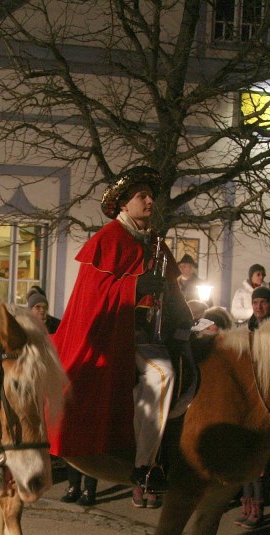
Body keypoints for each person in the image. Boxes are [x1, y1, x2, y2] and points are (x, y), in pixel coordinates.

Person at [48, 165, 191, 497]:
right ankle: (145, 465)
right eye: (142, 196)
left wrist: (185, 316)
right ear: (124, 204)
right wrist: (135, 286)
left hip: (152, 332)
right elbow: (92, 297)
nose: (150, 201)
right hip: (119, 335)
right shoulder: (107, 239)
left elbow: (172, 291)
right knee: (162, 374)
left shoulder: (155, 242)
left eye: (151, 196)